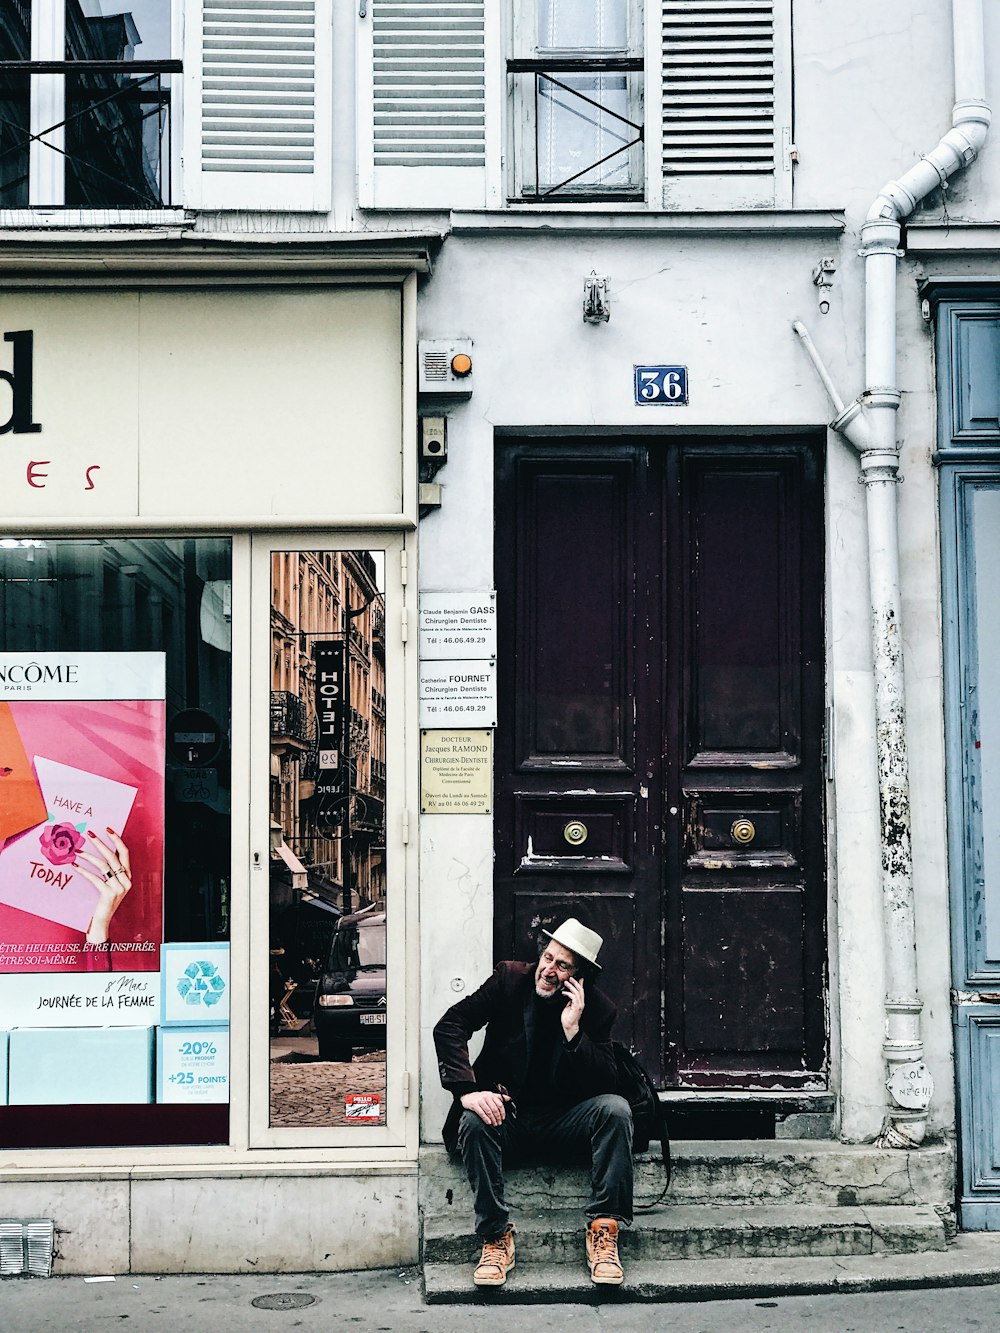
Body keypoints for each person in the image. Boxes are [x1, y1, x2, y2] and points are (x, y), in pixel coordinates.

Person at [433, 917, 633, 1288]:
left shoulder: (598, 1010)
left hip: (566, 1122)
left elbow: (607, 1082)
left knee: (616, 1110)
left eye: (562, 965)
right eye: (547, 957)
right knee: (473, 1120)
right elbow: (451, 1025)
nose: (549, 969)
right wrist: (467, 1090)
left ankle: (604, 1230)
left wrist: (574, 1030)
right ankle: (495, 1237)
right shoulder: (510, 980)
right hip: (507, 1117)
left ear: (579, 977)